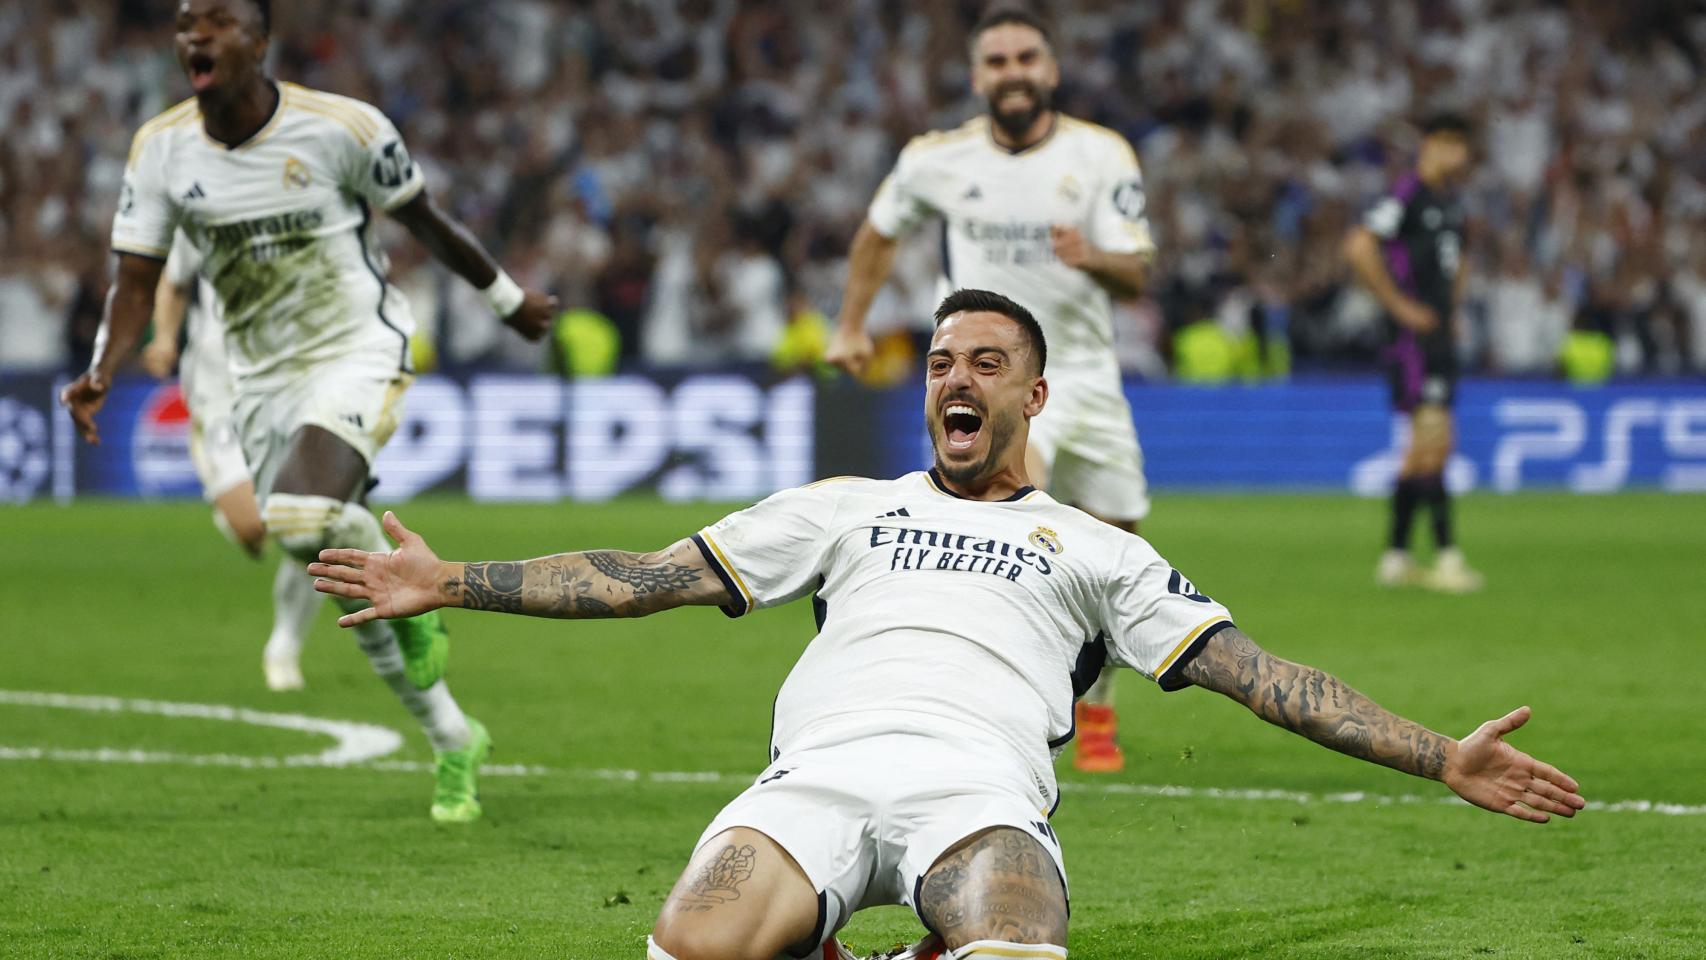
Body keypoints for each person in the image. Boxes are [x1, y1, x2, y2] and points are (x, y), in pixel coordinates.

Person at [311, 289, 1584, 960]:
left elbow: (1259, 677)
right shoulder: (843, 507)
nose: (952, 380)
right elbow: (646, 575)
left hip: (975, 792)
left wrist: (1440, 756)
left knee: (1020, 941)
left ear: (1032, 393)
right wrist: (453, 580)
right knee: (685, 945)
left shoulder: (1100, 550)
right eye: (936, 362)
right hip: (809, 782)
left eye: (981, 362)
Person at [60, 0, 557, 823]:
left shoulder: (342, 128)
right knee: (326, 558)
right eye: (186, 20)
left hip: (354, 346)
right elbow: (137, 281)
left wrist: (505, 299)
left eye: (217, 20)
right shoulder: (161, 147)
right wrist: (101, 369)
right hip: (256, 379)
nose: (194, 34)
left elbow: (425, 222)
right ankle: (453, 737)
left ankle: (413, 612)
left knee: (297, 518)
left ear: (260, 42)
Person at [826, 6, 1155, 773]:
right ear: (978, 77)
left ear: (1051, 70)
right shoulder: (937, 159)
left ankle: (1096, 703)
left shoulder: (1101, 154)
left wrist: (1093, 257)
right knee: (1002, 525)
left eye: (1026, 58)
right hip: (992, 379)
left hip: (1086, 374)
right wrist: (850, 325)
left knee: (1119, 545)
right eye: (998, 61)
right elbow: (878, 231)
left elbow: (1137, 270)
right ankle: (996, 708)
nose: (1013, 72)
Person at [142, 229, 323, 692]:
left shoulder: (305, 209)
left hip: (289, 387)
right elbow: (175, 282)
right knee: (254, 530)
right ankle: (236, 510)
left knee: (309, 525)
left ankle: (283, 647)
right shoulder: (199, 213)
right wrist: (164, 336)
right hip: (219, 392)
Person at [1343, 113, 1483, 593]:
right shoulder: (1406, 195)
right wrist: (1401, 307)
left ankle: (1397, 556)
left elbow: (1461, 258)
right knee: (1434, 442)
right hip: (1413, 341)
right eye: (1452, 145)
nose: (1460, 156)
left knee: (1424, 452)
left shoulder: (1452, 204)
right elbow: (1360, 246)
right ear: (1431, 145)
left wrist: (1453, 307)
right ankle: (1446, 556)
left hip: (1438, 337)